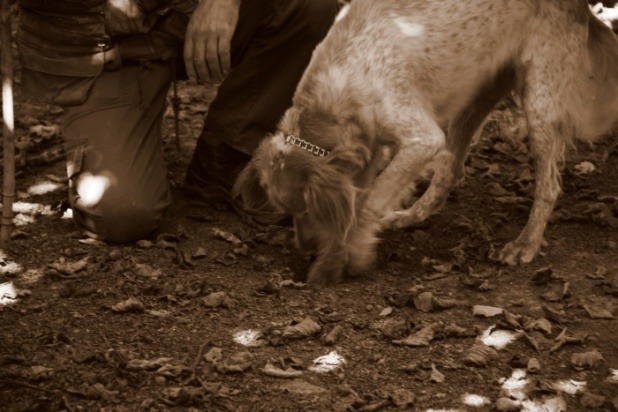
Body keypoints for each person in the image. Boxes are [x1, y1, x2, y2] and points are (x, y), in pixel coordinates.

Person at [16, 0, 339, 243]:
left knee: (307, 5)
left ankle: (226, 156)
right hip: (102, 50)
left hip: (181, 17)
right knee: (123, 216)